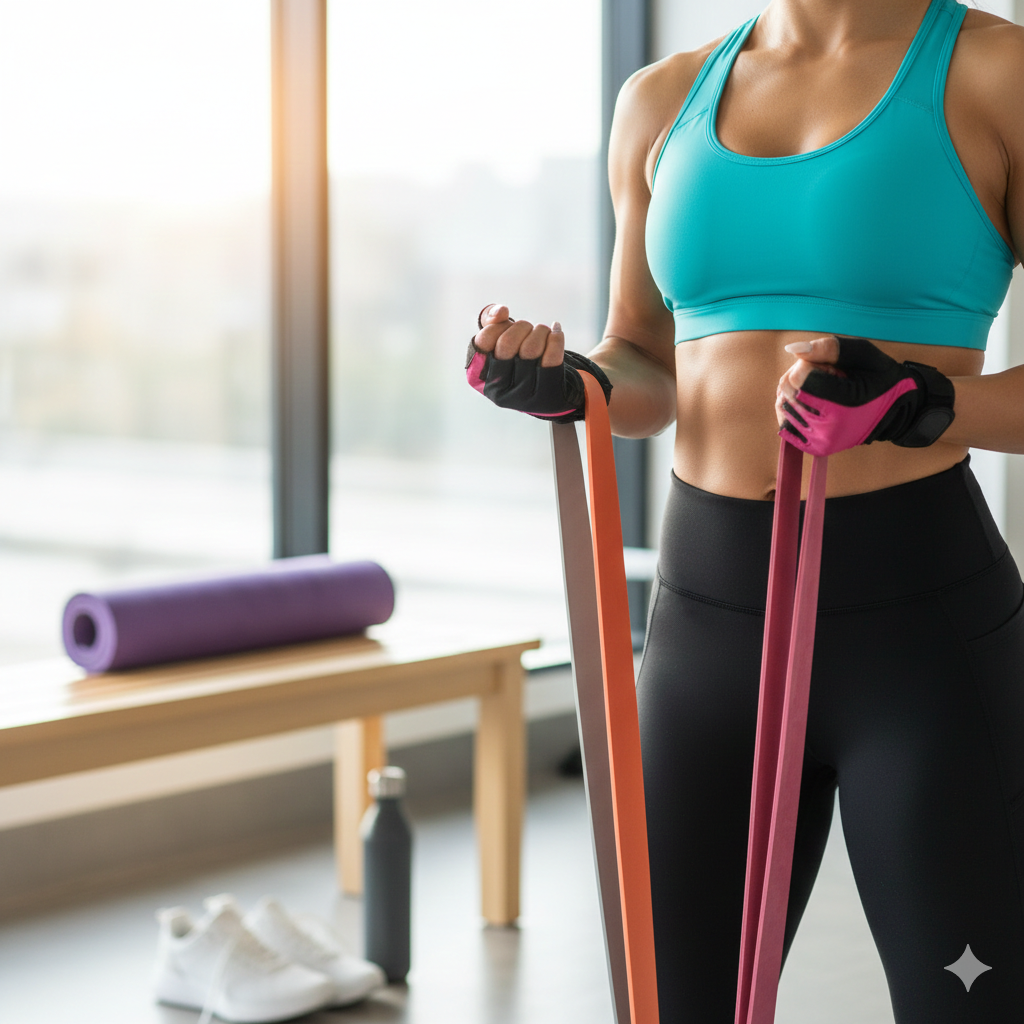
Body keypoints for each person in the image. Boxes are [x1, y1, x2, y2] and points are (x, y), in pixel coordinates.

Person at [466, 0, 1024, 1019]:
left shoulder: (997, 74)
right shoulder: (661, 99)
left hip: (921, 638)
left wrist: (920, 399)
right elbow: (639, 359)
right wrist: (564, 385)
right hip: (705, 632)